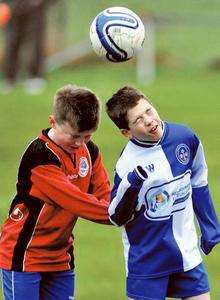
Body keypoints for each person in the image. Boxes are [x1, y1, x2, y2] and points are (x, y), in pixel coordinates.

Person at [106, 86, 220, 300]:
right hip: (147, 262)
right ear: (126, 133)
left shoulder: (185, 137)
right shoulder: (127, 165)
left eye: (148, 110)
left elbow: (199, 179)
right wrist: (132, 185)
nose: (149, 120)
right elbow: (115, 216)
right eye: (138, 119)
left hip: (185, 253)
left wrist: (210, 226)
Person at [0, 84, 111, 300]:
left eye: (87, 136)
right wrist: (119, 214)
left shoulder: (90, 151)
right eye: (74, 136)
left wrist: (127, 202)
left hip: (60, 256)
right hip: (25, 255)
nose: (80, 143)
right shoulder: (39, 156)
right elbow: (76, 201)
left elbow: (104, 194)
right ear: (53, 122)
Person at [1, 0, 52, 94]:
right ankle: (9, 78)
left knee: (35, 43)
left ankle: (35, 77)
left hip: (34, 10)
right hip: (12, 9)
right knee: (11, 43)